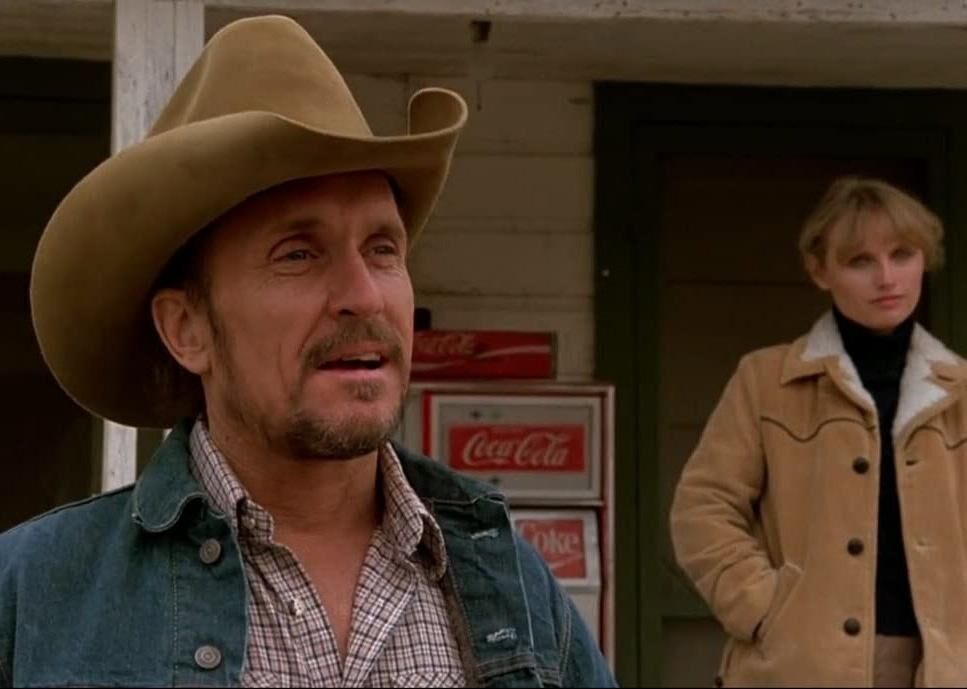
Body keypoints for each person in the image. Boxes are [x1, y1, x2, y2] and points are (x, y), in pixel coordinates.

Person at [0, 15, 614, 688]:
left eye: (382, 248)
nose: (363, 294)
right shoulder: (33, 594)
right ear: (187, 329)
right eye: (298, 254)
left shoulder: (514, 590)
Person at [670, 176, 967, 687]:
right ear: (819, 269)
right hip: (798, 666)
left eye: (902, 254)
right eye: (860, 261)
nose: (887, 277)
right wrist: (766, 610)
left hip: (942, 667)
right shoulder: (765, 381)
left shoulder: (961, 391)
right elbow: (703, 509)